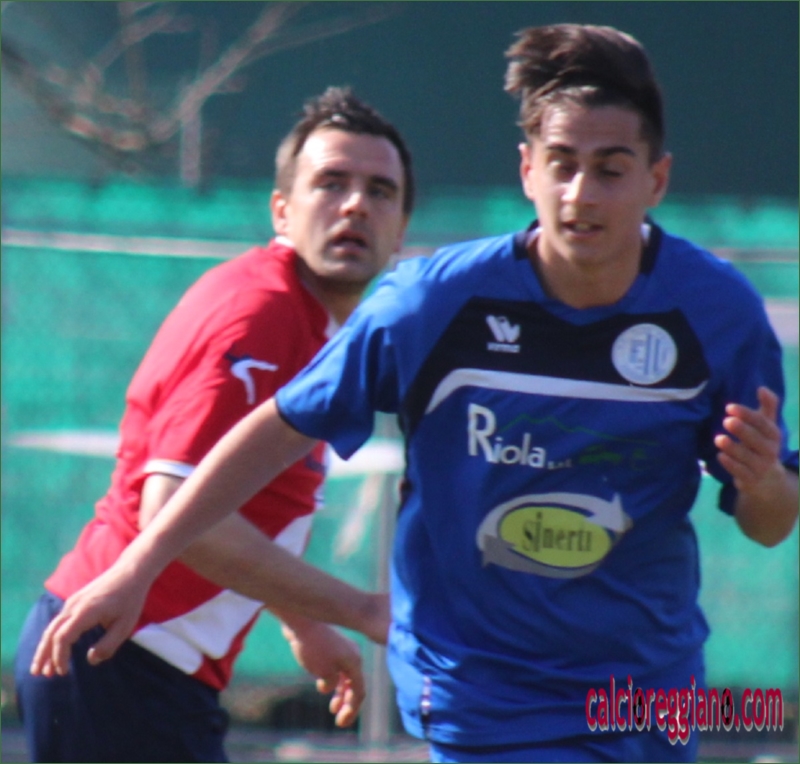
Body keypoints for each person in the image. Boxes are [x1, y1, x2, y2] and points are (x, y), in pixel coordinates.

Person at [30, 24, 799, 763]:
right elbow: (278, 428)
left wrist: (764, 482)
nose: (580, 193)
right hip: (485, 689)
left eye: (610, 168)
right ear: (526, 170)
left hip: (649, 692)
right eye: (561, 163)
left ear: (656, 178)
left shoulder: (719, 314)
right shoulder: (429, 304)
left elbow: (771, 522)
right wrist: (137, 567)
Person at [15, 85, 413, 763]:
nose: (355, 205)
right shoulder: (262, 315)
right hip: (120, 656)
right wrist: (360, 608)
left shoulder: (308, 325)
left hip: (146, 667)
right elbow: (175, 512)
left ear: (401, 227)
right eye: (331, 183)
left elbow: (233, 504)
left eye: (380, 191)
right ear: (282, 210)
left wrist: (303, 621)